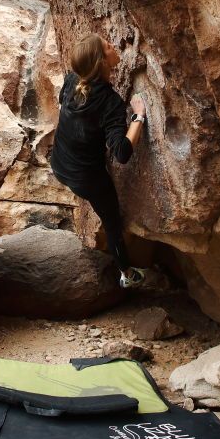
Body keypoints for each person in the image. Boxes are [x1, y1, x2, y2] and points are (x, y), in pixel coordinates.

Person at [50, 33, 147, 288]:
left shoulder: (72, 80)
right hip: (86, 177)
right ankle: (127, 273)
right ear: (102, 62)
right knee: (112, 221)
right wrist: (139, 116)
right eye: (108, 47)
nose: (114, 46)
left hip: (59, 163)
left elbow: (62, 100)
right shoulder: (109, 103)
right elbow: (122, 152)